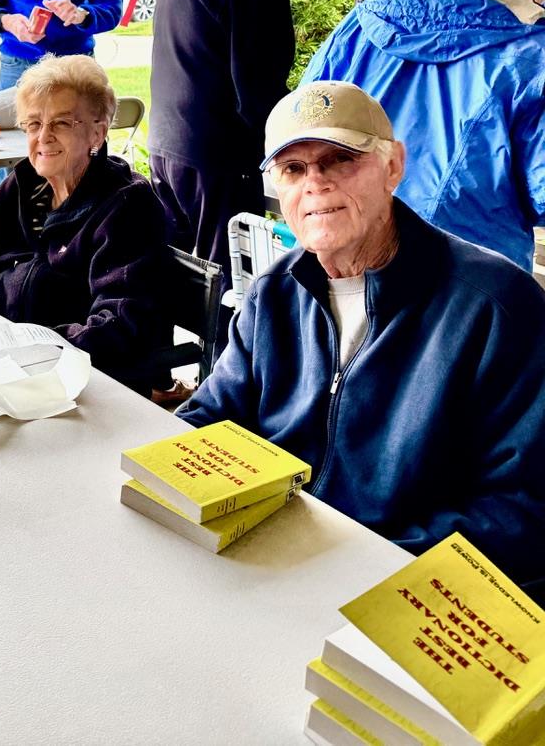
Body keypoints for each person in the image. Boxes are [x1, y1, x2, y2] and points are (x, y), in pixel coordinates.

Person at [179, 81, 545, 601]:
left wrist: (362, 566)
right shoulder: (274, 292)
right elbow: (210, 416)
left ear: (393, 166)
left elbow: (523, 507)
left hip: (402, 585)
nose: (315, 184)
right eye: (293, 169)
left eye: (340, 160)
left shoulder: (496, 305)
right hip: (270, 563)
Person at [303, 0, 545, 271]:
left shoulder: (361, 20)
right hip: (467, 281)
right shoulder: (532, 49)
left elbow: (302, 129)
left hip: (345, 259)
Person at [148, 0, 347, 279]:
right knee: (232, 291)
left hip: (166, 147)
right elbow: (258, 92)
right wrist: (309, 154)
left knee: (173, 283)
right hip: (217, 159)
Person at [0, 55, 173, 395]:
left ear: (97, 133)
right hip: (11, 368)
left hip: (88, 382)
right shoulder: (26, 185)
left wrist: (28, 349)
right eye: (34, 124)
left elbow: (119, 323)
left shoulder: (125, 205)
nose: (44, 137)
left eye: (62, 123)